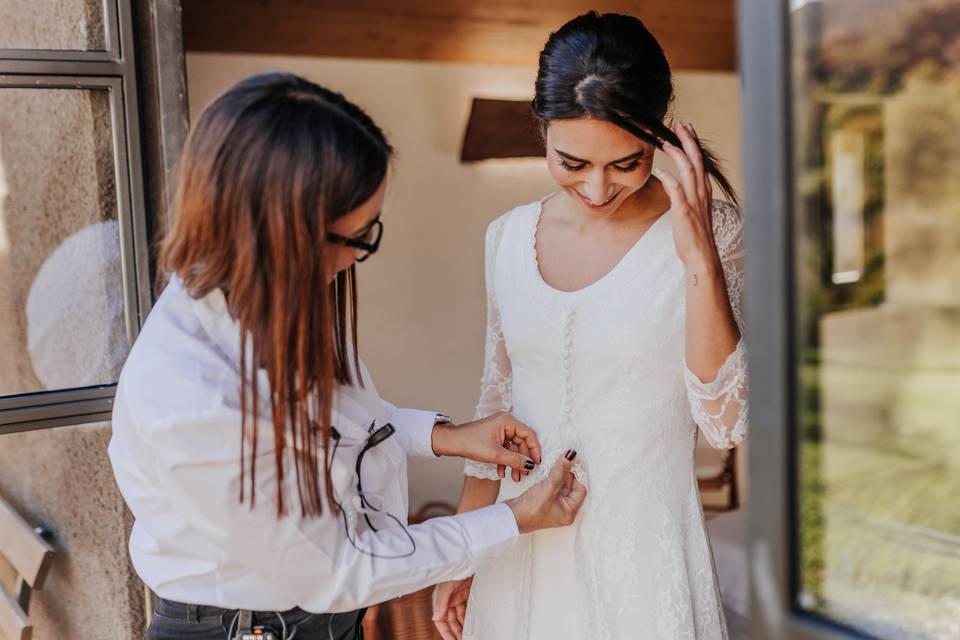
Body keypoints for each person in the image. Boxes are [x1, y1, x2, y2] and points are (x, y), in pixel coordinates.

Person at [107, 71, 586, 640]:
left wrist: (448, 436)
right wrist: (511, 519)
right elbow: (338, 569)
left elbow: (332, 426)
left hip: (322, 622)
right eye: (356, 237)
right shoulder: (192, 397)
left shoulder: (276, 298)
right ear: (282, 231)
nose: (359, 257)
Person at [432, 12, 748, 640]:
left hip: (646, 567)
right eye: (571, 162)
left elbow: (726, 423)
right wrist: (464, 550)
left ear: (660, 137)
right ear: (542, 130)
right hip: (517, 555)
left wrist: (698, 257)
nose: (598, 188)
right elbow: (495, 406)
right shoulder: (506, 239)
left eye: (626, 163)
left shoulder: (715, 235)